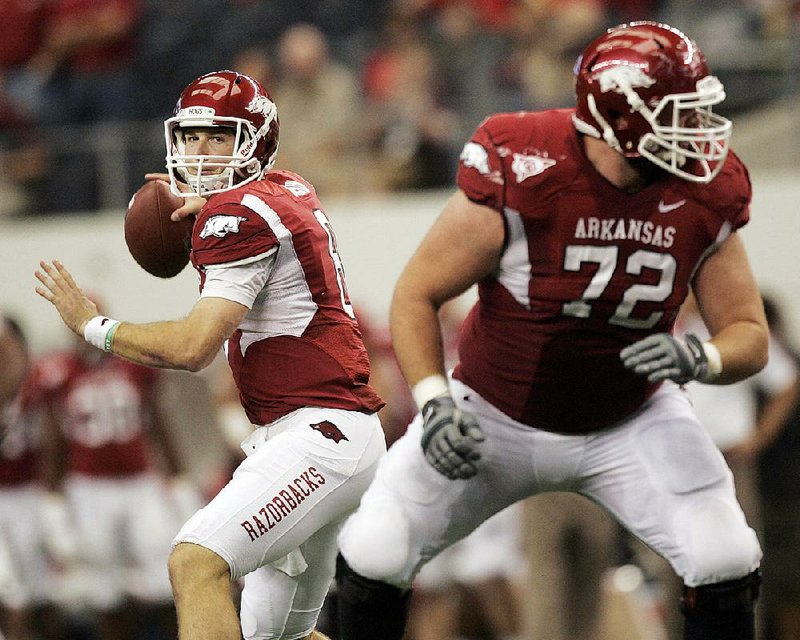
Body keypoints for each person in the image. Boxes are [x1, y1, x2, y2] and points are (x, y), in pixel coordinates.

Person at [334, 21, 767, 640]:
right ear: (624, 119)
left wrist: (700, 356)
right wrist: (433, 404)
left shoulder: (706, 188)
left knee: (725, 554)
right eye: (680, 113)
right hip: (495, 414)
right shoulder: (526, 162)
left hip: (631, 417)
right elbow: (418, 292)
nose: (699, 132)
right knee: (376, 547)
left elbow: (747, 331)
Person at [34, 70, 386, 640]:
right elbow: (265, 209)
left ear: (255, 142)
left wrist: (93, 326)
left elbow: (194, 348)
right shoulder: (288, 188)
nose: (199, 153)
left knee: (195, 559)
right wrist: (217, 199)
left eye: (219, 138)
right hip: (332, 436)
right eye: (191, 137)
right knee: (278, 637)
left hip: (318, 437)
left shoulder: (238, 217)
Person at [35, 307, 200, 640]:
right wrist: (52, 499)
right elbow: (54, 441)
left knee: (165, 575)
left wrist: (179, 480)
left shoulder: (134, 365)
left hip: (139, 481)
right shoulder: (59, 372)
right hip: (89, 487)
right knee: (103, 588)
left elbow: (158, 423)